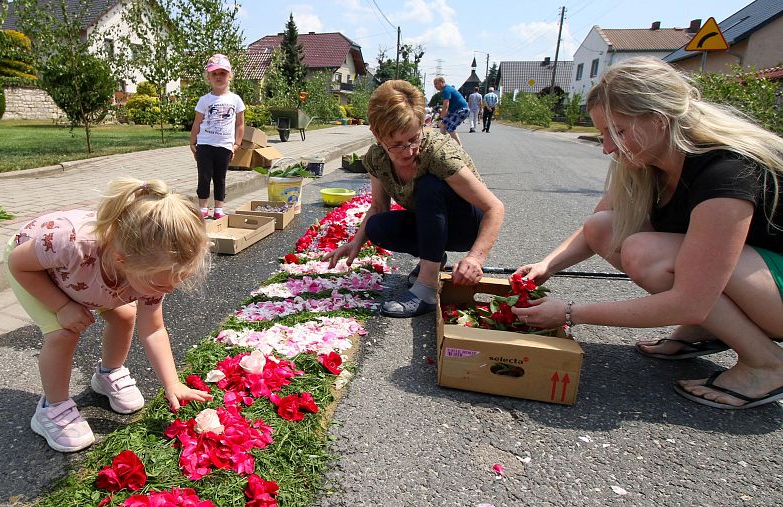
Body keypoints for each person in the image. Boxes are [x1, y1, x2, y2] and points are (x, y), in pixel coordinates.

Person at [511, 57, 783, 410]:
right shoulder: (646, 161)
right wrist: (547, 264)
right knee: (605, 226)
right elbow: (595, 229)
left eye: (618, 132)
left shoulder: (725, 172)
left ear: (657, 120)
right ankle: (709, 330)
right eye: (604, 134)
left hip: (775, 295)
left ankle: (766, 365)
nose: (608, 147)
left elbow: (692, 299)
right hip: (752, 282)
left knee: (646, 252)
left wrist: (569, 312)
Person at [6, 178, 214, 452]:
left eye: (178, 280)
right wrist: (62, 306)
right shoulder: (71, 243)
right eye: (162, 284)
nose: (170, 290)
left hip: (90, 280)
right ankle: (51, 408)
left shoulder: (156, 268)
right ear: (123, 261)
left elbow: (152, 329)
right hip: (39, 271)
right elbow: (18, 264)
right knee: (63, 333)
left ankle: (108, 373)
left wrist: (172, 382)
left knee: (125, 316)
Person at [323, 80, 505, 318]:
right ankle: (433, 259)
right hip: (433, 222)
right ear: (376, 134)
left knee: (429, 186)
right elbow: (378, 206)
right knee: (378, 227)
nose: (408, 151)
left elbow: (494, 207)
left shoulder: (438, 153)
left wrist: (475, 258)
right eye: (397, 145)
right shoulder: (377, 158)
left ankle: (426, 288)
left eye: (413, 139)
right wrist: (355, 242)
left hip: (468, 224)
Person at [190, 53, 245, 220]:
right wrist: (193, 141)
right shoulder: (204, 100)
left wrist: (236, 145)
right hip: (205, 144)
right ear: (209, 77)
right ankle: (203, 207)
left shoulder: (235, 100)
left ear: (230, 76)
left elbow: (240, 124)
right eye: (214, 74)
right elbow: (197, 122)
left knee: (220, 178)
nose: (218, 77)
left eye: (222, 73)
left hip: (224, 145)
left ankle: (219, 208)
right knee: (204, 176)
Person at [433, 76, 471, 144]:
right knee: (443, 124)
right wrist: (441, 118)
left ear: (442, 82)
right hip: (456, 110)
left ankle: (459, 146)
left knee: (450, 128)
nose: (435, 86)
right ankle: (443, 144)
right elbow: (448, 106)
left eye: (436, 83)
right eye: (434, 84)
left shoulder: (446, 90)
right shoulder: (446, 90)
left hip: (462, 110)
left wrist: (441, 117)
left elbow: (446, 105)